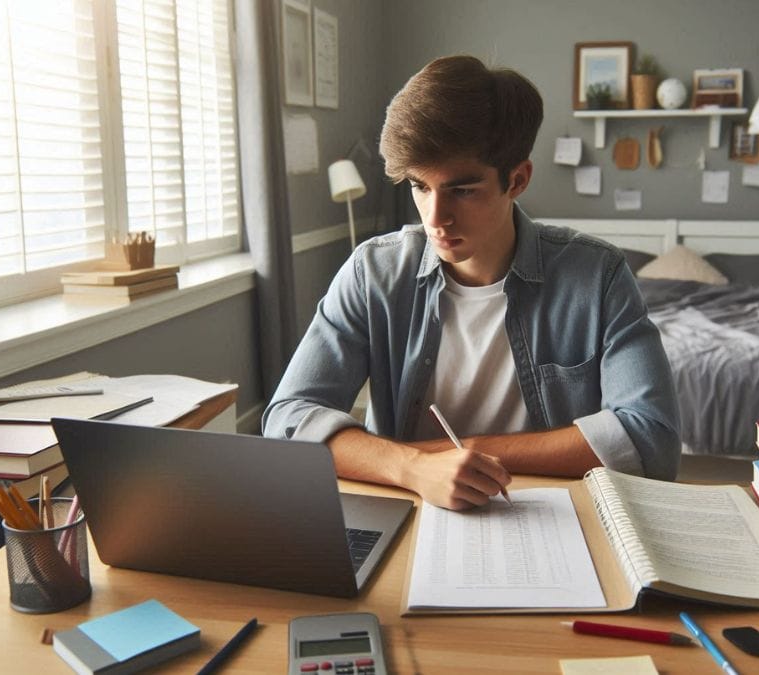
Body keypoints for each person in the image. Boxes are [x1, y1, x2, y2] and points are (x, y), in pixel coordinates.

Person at [263, 55, 679, 510]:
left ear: (516, 180)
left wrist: (458, 456)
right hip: (411, 509)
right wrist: (412, 469)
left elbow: (651, 439)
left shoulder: (599, 276)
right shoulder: (374, 274)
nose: (436, 218)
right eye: (420, 186)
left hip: (555, 516)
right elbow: (289, 418)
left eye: (462, 190)